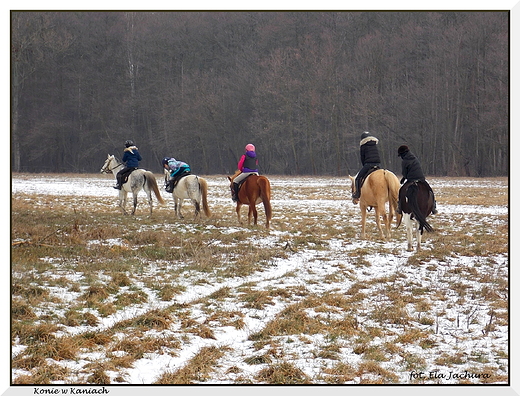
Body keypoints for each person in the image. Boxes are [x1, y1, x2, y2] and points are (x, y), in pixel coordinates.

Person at [397, 145, 437, 214]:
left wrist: (404, 178)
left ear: (402, 154)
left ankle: (400, 207)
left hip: (411, 179)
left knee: (401, 191)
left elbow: (404, 173)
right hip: (421, 178)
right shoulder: (415, 158)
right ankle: (433, 206)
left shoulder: (404, 161)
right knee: (430, 191)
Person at [352, 131, 381, 199]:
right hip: (378, 164)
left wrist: (364, 165)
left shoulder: (363, 145)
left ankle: (357, 194)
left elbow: (362, 157)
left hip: (368, 164)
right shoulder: (374, 144)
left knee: (357, 178)